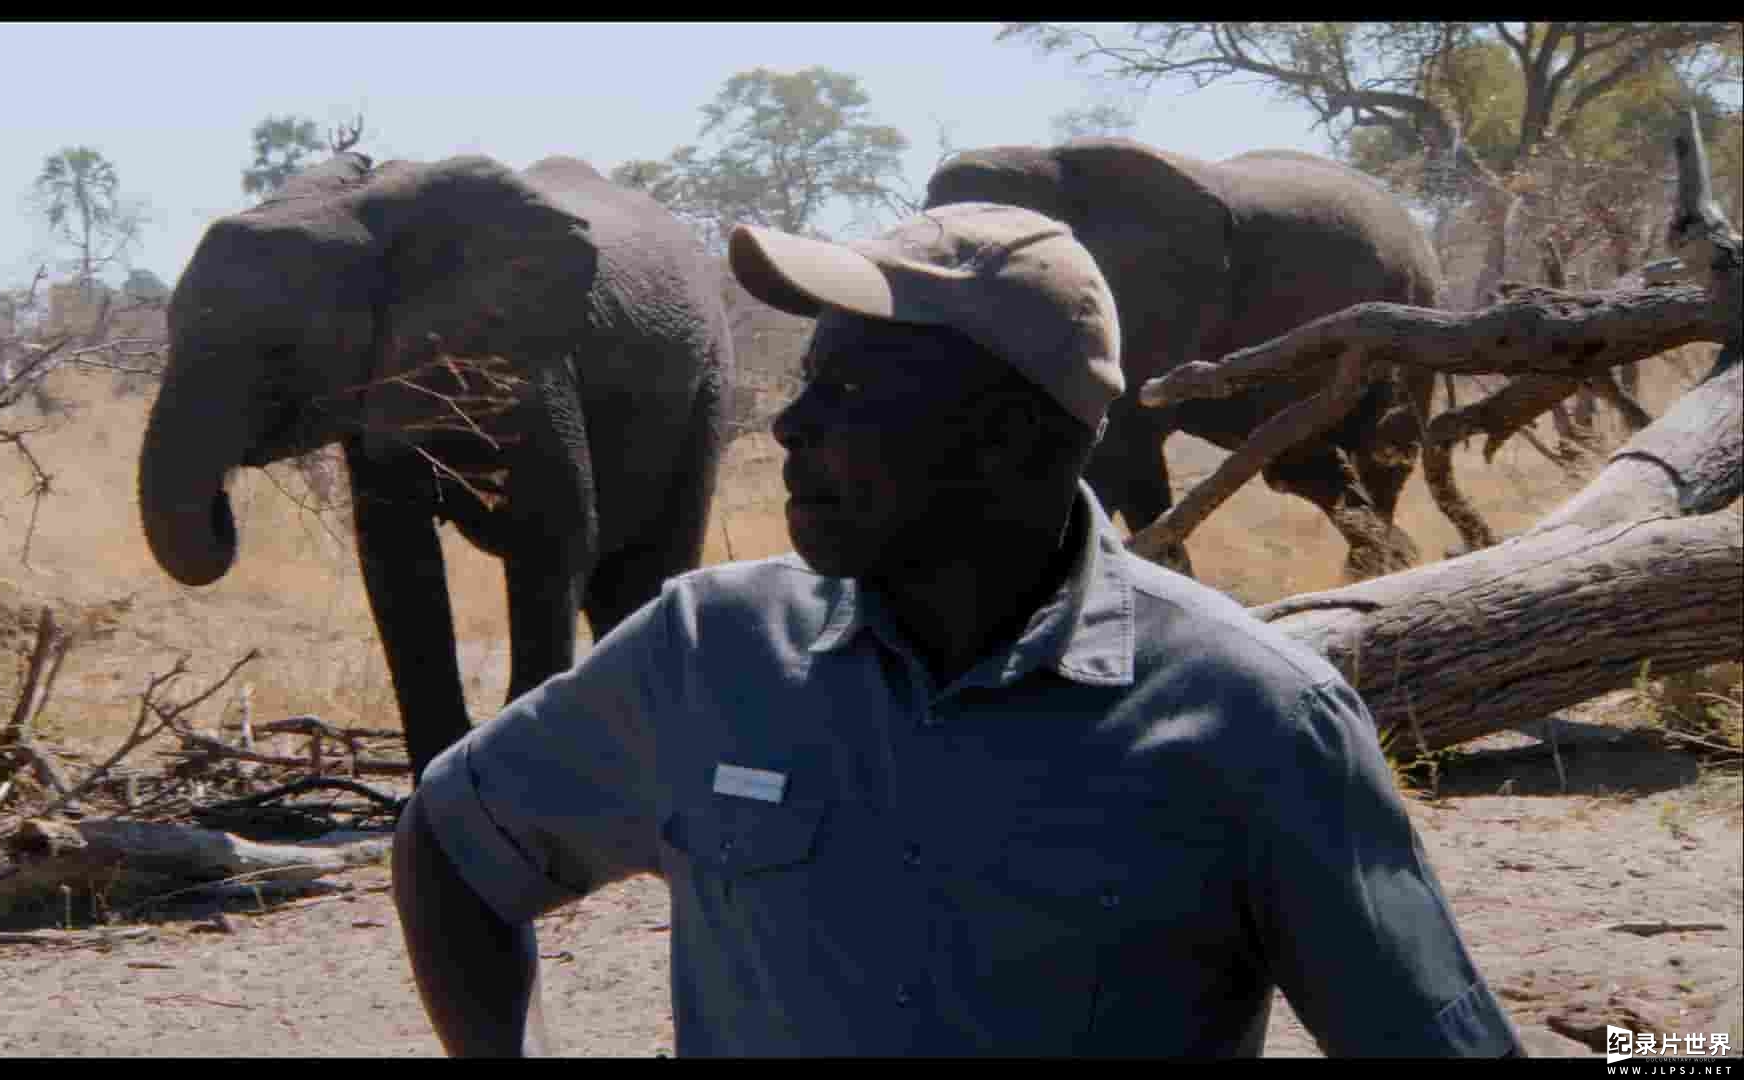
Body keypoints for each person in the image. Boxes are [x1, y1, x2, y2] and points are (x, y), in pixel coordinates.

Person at [391, 202, 1525, 1058]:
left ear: (1013, 439)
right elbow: (453, 845)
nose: (790, 423)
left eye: (851, 389)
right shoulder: (708, 649)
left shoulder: (1253, 719)